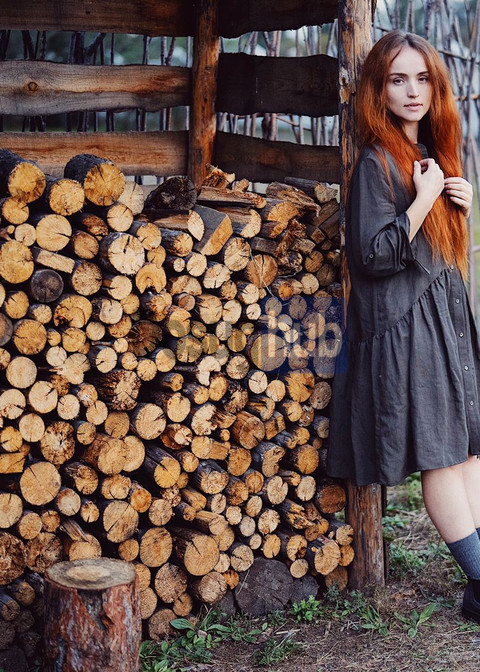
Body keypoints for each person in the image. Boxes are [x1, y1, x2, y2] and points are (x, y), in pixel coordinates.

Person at [326, 30, 480, 622]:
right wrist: (421, 200)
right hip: (405, 329)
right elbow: (372, 256)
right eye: (398, 79)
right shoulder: (376, 162)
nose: (412, 91)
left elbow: (439, 254)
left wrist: (458, 203)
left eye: (422, 78)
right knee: (442, 455)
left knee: (466, 450)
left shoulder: (430, 154)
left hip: (443, 321)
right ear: (379, 89)